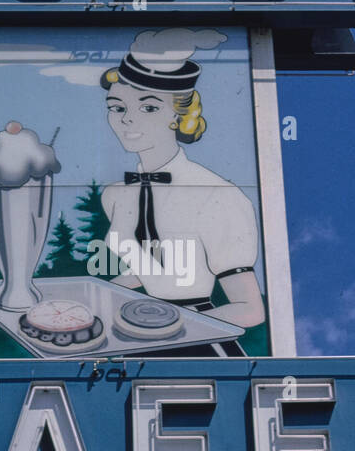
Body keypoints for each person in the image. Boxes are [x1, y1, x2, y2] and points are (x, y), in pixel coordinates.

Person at [99, 37, 265, 331]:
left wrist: (170, 327)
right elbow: (155, 271)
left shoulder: (217, 196)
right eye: (117, 107)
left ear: (178, 116)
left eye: (148, 108)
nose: (127, 120)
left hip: (198, 338)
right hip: (134, 331)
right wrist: (96, 299)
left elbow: (250, 310)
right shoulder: (115, 195)